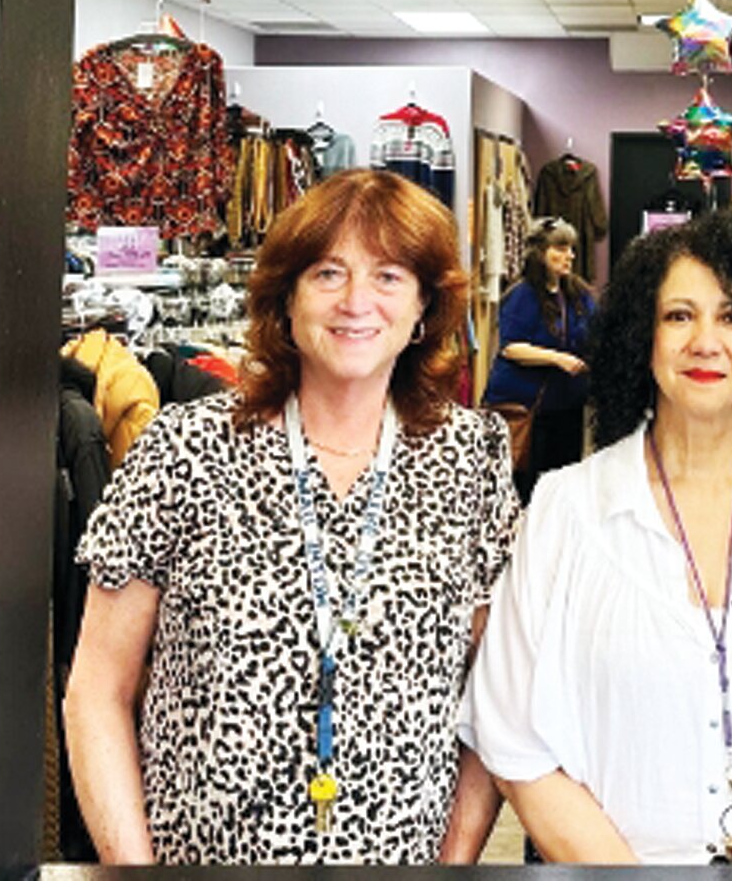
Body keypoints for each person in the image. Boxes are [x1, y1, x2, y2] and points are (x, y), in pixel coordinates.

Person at [63, 169, 521, 865]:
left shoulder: (472, 462)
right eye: (328, 273)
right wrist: (136, 874)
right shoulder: (186, 447)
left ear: (425, 306)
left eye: (390, 276)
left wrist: (450, 866)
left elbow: (493, 698)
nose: (356, 301)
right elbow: (98, 687)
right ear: (288, 298)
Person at [463, 209, 732, 863]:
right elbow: (513, 734)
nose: (705, 341)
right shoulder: (566, 509)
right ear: (642, 335)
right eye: (678, 316)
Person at [481, 216, 596, 503]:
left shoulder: (578, 294)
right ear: (540, 252)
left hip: (566, 406)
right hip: (528, 408)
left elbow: (598, 330)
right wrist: (557, 358)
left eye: (571, 248)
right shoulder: (522, 294)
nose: (569, 255)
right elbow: (511, 348)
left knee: (563, 484)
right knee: (527, 488)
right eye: (560, 247)